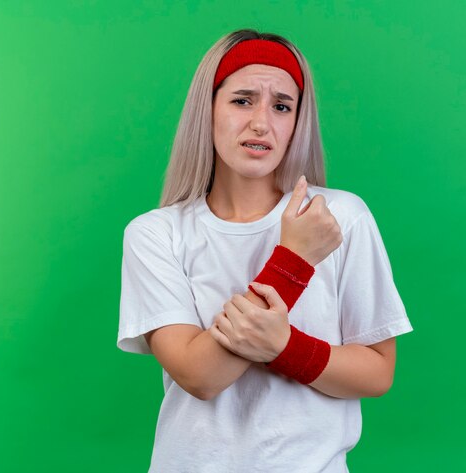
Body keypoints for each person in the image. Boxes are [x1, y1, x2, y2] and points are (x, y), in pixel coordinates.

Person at [117, 28, 413, 472]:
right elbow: (200, 376)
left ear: (297, 122)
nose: (261, 123)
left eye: (281, 106)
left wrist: (285, 346)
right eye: (242, 100)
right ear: (208, 109)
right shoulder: (156, 234)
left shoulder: (338, 217)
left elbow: (376, 372)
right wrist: (293, 263)